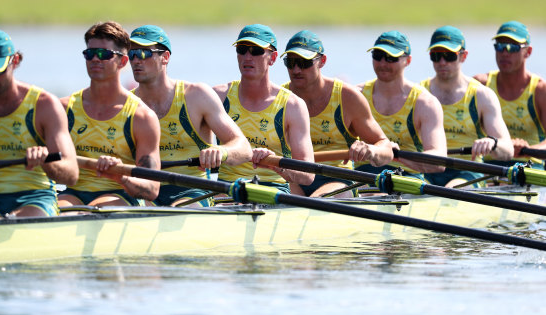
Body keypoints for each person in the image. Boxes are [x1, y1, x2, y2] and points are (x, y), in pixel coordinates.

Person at [128, 25, 252, 206]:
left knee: (175, 211)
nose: (137, 60)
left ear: (165, 58)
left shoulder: (196, 95)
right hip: (145, 189)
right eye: (132, 54)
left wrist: (221, 151)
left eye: (145, 53)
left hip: (193, 189)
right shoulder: (127, 103)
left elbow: (244, 148)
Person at [0, 29, 78, 218]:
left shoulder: (44, 105)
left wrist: (46, 162)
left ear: (15, 61)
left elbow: (71, 174)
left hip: (38, 199)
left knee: (19, 220)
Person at [58, 21, 161, 207]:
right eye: (90, 54)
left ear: (122, 61)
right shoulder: (64, 108)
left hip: (121, 194)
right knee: (57, 209)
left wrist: (120, 177)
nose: (95, 59)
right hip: (73, 193)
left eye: (104, 54)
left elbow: (152, 189)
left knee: (92, 211)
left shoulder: (142, 117)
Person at [281, 30, 393, 197]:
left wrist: (370, 150)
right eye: (290, 62)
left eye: (304, 62)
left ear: (322, 61)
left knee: (317, 202)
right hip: (293, 178)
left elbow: (386, 149)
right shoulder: (280, 98)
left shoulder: (347, 97)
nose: (296, 69)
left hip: (336, 179)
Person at [213, 24, 315, 192]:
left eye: (256, 51)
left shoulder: (292, 105)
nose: (247, 57)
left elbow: (308, 175)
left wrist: (275, 163)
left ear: (273, 58)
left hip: (273, 189)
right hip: (227, 189)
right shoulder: (218, 97)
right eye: (242, 49)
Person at [421, 26, 513, 187]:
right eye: (436, 56)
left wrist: (493, 143)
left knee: (451, 190)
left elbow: (508, 150)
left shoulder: (481, 96)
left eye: (449, 56)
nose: (442, 62)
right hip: (427, 169)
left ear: (463, 56)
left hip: (467, 171)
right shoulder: (420, 93)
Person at [356, 30, 447, 178]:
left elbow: (439, 162)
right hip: (364, 173)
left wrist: (393, 155)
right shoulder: (357, 95)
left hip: (405, 175)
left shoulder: (425, 103)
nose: (383, 63)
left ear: (408, 61)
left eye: (391, 58)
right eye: (378, 56)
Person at [474, 21, 546, 169]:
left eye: (512, 47)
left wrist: (528, 150)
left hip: (529, 165)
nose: (504, 53)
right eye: (499, 47)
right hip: (490, 165)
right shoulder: (481, 85)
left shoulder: (540, 90)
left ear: (528, 52)